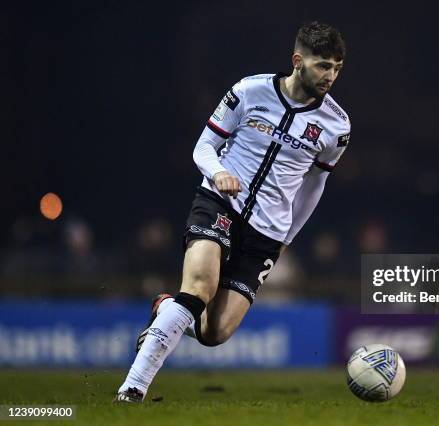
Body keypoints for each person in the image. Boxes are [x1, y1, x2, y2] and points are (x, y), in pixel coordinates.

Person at [114, 21, 350, 402]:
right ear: (297, 60)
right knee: (198, 290)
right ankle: (133, 388)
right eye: (323, 65)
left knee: (214, 333)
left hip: (267, 234)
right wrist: (219, 172)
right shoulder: (249, 90)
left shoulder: (337, 126)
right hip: (220, 204)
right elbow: (203, 147)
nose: (331, 76)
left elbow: (313, 187)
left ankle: (166, 309)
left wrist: (288, 237)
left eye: (337, 67)